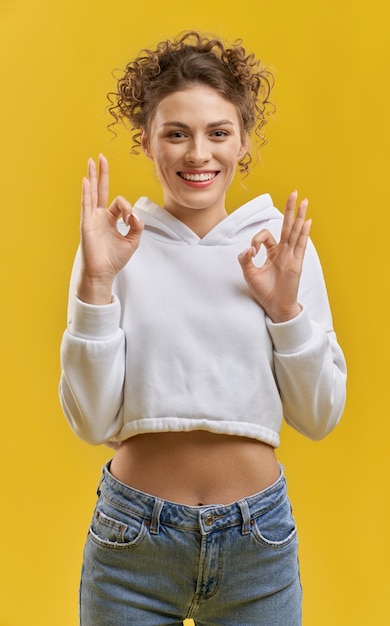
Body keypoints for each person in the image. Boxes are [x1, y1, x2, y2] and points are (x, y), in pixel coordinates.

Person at [59, 30, 347, 626]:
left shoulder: (280, 249)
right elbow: (90, 421)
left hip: (257, 547)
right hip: (132, 545)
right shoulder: (113, 247)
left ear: (242, 140)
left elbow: (319, 416)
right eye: (176, 133)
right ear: (147, 141)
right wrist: (97, 284)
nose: (198, 154)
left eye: (218, 133)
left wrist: (285, 312)